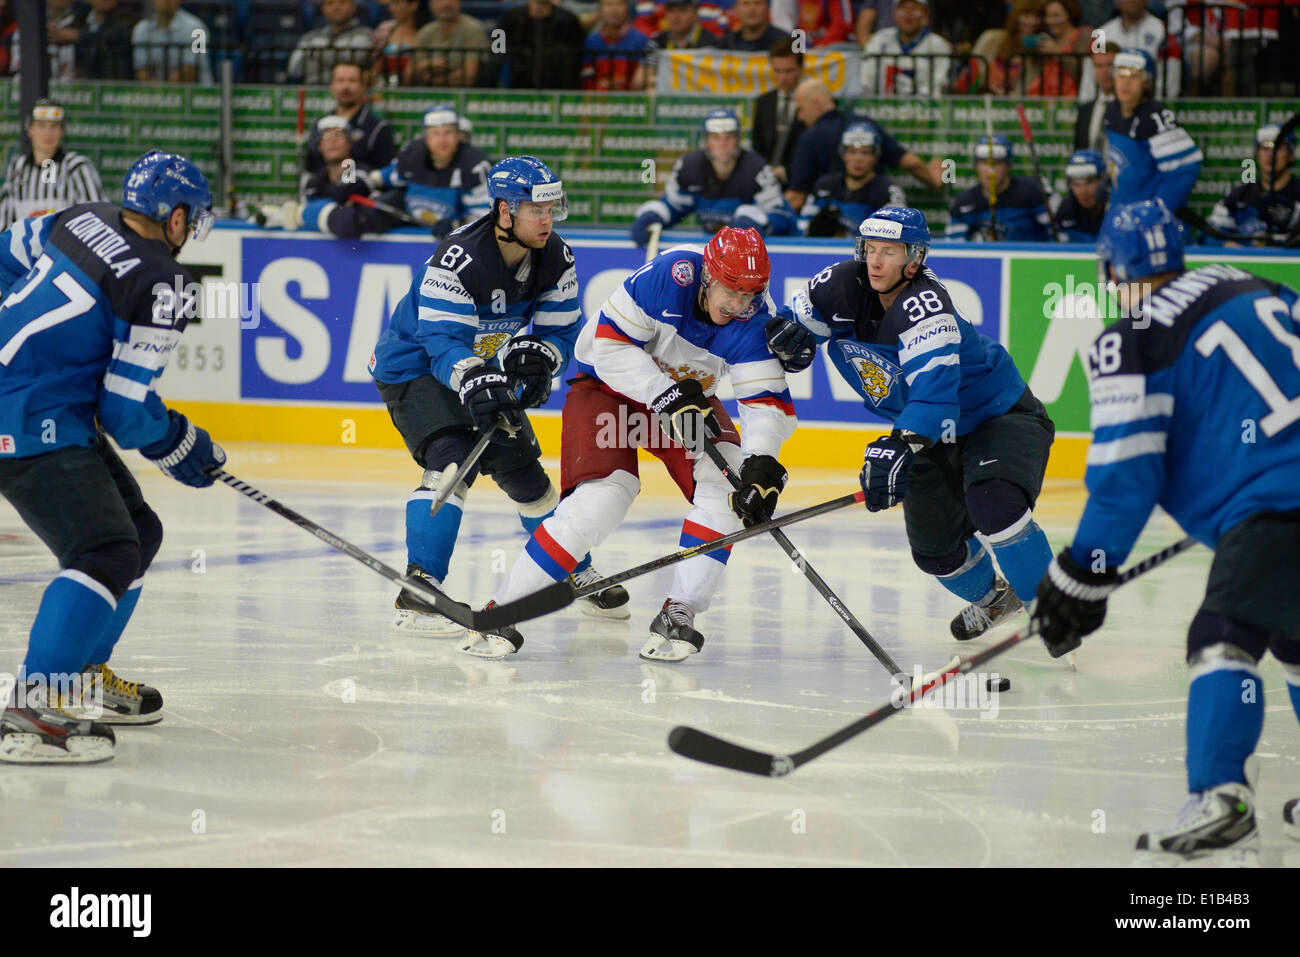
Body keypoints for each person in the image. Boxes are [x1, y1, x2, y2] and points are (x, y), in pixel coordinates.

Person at [1031, 198, 1300, 865]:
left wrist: (1082, 574)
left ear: (1113, 268)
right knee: (1294, 636)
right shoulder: (1261, 284)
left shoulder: (1134, 337)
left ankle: (1222, 802)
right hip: (1276, 493)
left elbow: (1128, 475)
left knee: (1223, 634)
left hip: (1277, 502)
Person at [471, 227, 796, 661]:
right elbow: (608, 348)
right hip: (610, 389)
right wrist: (664, 394)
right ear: (706, 277)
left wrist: (761, 462)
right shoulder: (670, 274)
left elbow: (765, 403)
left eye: (750, 296)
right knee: (602, 499)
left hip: (687, 400)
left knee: (727, 487)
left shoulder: (756, 318)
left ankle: (679, 611)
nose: (739, 306)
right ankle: (501, 609)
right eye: (730, 292)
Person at [0, 151, 222, 765]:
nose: (190, 232)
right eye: (193, 219)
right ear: (175, 217)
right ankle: (30, 707)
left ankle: (79, 675)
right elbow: (125, 412)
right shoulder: (164, 283)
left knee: (138, 531)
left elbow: (1, 255)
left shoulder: (78, 217)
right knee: (102, 549)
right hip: (27, 416)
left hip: (48, 407)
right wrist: (185, 445)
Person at [369, 156, 628, 640]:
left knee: (524, 472)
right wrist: (477, 378)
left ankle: (571, 565)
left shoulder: (557, 255)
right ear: (504, 211)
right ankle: (419, 587)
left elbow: (562, 330)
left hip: (476, 363)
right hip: (415, 367)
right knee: (453, 460)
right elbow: (442, 343)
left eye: (553, 208)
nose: (548, 219)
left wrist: (540, 357)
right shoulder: (458, 258)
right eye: (536, 210)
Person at [768, 207, 1055, 641]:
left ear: (914, 258)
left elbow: (935, 398)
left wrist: (900, 443)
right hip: (926, 432)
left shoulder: (926, 305)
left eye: (890, 251)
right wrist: (786, 339)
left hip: (994, 415)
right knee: (934, 550)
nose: (876, 261)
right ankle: (996, 600)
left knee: (995, 507)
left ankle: (1052, 611)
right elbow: (793, 325)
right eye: (870, 249)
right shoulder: (840, 283)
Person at [631, 108, 795, 246]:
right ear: (707, 141)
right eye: (716, 138)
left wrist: (757, 223)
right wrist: (655, 214)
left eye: (728, 137)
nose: (722, 144)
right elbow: (674, 205)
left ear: (737, 140)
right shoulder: (688, 167)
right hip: (718, 249)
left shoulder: (757, 170)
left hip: (760, 251)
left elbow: (782, 216)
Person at [783, 78, 943, 214]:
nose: (800, 117)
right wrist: (934, 181)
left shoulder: (810, 137)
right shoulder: (866, 123)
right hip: (873, 235)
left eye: (801, 109)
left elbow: (796, 198)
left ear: (816, 103)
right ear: (843, 154)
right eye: (851, 152)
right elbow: (911, 163)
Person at [367, 104, 492, 238]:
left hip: (453, 243)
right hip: (408, 238)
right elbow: (385, 176)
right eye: (436, 133)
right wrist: (364, 182)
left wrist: (457, 225)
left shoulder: (476, 165)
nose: (442, 140)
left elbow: (484, 215)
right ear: (426, 138)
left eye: (448, 132)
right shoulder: (411, 155)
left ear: (457, 135)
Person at [1104, 49, 1202, 212]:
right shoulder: (1111, 112)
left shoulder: (1156, 117)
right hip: (1119, 218)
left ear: (1147, 82)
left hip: (1149, 226)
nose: (1126, 82)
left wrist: (1158, 210)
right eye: (1121, 74)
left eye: (1135, 76)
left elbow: (1187, 166)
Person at [258, 116, 379, 238]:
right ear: (319, 145)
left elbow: (341, 193)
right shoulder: (312, 183)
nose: (332, 141)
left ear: (349, 143)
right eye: (326, 136)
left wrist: (301, 213)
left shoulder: (363, 173)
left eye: (339, 135)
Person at [0, 100, 108, 231]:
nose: (48, 133)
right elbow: (4, 221)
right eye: (41, 125)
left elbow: (99, 217)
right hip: (26, 250)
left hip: (65, 250)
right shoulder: (18, 167)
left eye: (54, 126)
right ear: (30, 130)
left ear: (61, 131)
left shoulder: (76, 167)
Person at [799, 122, 907, 237]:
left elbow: (898, 235)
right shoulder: (824, 185)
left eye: (866, 153)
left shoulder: (888, 191)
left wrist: (847, 228)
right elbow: (802, 227)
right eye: (852, 152)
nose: (858, 159)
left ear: (876, 156)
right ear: (843, 154)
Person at [302, 63, 397, 190]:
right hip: (323, 195)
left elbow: (383, 175)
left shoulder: (377, 128)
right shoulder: (319, 125)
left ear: (363, 86)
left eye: (352, 81)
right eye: (340, 80)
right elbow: (312, 167)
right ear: (332, 86)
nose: (346, 87)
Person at [1204, 125, 1300, 245]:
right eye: (1265, 148)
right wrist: (1227, 245)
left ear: (1290, 155)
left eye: (1278, 147)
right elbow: (1209, 236)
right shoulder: (1239, 197)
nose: (1271, 154)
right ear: (1257, 154)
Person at [946, 135, 1051, 242]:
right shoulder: (963, 203)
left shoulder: (1032, 191)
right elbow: (954, 248)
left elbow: (1057, 236)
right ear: (976, 166)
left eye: (997, 163)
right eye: (984, 163)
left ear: (1008, 166)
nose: (990, 170)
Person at [1078, 0, 1180, 101]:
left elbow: (1170, 79)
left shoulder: (1162, 31)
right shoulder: (1102, 33)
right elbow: (1089, 77)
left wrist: (1158, 105)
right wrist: (1086, 105)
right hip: (1107, 104)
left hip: (1147, 105)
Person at [862, 0, 953, 97]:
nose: (908, 14)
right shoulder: (880, 40)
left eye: (914, 8)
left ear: (925, 14)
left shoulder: (937, 45)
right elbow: (867, 79)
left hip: (923, 108)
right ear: (894, 13)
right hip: (881, 107)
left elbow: (939, 84)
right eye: (903, 8)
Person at [751, 37, 805, 185]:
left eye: (789, 71)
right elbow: (757, 146)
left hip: (798, 180)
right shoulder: (764, 102)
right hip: (765, 179)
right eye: (778, 71)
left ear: (800, 69)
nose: (783, 78)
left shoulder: (811, 102)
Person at [499, 0, 587, 89]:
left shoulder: (568, 20)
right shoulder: (511, 18)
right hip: (516, 91)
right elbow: (496, 55)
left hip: (558, 91)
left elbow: (577, 59)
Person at [287, 0, 374, 86]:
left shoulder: (366, 34)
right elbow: (295, 68)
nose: (336, 7)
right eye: (330, 3)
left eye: (342, 2)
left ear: (353, 7)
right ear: (323, 9)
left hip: (350, 93)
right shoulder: (309, 37)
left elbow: (354, 58)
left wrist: (312, 51)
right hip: (313, 92)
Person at [132, 0, 213, 84]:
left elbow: (190, 71)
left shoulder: (198, 28)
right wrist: (154, 91)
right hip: (154, 92)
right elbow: (141, 69)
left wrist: (164, 91)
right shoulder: (141, 29)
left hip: (198, 92)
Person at [413, 0, 490, 87]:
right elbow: (410, 74)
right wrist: (428, 64)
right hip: (425, 97)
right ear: (431, 4)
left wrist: (432, 80)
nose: (446, 3)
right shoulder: (426, 31)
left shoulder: (472, 29)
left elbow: (469, 76)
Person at [581, 0, 651, 90]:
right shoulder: (590, 41)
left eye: (619, 4)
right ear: (600, 11)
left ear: (627, 9)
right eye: (608, 4)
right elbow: (586, 79)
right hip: (597, 101)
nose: (614, 10)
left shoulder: (641, 41)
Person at [1073, 42, 1119, 154]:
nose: (1105, 72)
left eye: (1110, 65)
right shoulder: (1085, 111)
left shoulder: (1130, 108)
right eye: (1099, 66)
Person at [1054, 148, 1108, 242]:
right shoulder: (1067, 209)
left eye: (1089, 182)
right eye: (1076, 184)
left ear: (1102, 182)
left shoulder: (1114, 209)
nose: (1083, 191)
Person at [368, 0, 426, 86]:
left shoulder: (424, 31)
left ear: (414, 5)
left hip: (414, 86)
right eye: (392, 3)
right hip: (386, 83)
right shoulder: (385, 29)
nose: (392, 8)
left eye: (397, 3)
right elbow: (375, 58)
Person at [73, 0, 135, 80]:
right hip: (85, 85)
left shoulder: (128, 17)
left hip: (115, 84)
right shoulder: (80, 20)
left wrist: (78, 36)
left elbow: (111, 37)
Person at [716, 0, 785, 50]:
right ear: (736, 9)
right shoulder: (725, 45)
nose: (751, 9)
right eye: (746, 3)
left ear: (767, 8)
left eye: (758, 3)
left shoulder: (783, 43)